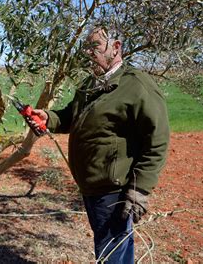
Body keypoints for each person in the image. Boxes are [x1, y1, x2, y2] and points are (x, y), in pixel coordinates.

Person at [30, 25, 170, 262]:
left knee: (111, 252)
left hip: (113, 189)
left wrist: (139, 189)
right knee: (117, 249)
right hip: (92, 185)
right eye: (86, 48)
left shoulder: (137, 85)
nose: (88, 53)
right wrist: (49, 118)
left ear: (116, 47)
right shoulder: (90, 84)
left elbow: (157, 140)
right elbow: (72, 116)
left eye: (94, 46)